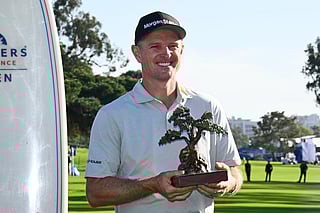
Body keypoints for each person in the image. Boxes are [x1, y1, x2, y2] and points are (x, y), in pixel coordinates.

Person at [85, 11, 243, 213]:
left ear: (182, 51)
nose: (166, 54)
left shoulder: (208, 106)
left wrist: (229, 183)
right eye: (155, 46)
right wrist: (151, 185)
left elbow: (235, 173)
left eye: (173, 46)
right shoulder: (112, 114)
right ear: (137, 53)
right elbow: (95, 193)